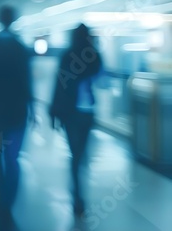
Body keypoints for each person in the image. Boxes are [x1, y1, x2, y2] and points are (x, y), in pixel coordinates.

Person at [0, 6, 34, 229]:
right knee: (13, 158)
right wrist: (33, 109)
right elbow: (27, 81)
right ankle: (7, 201)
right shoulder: (21, 48)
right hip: (18, 111)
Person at [49, 23, 102, 216]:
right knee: (80, 153)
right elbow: (99, 76)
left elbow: (59, 85)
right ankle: (78, 192)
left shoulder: (67, 56)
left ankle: (77, 195)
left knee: (75, 154)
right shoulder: (94, 56)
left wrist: (53, 112)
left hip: (70, 113)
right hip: (87, 111)